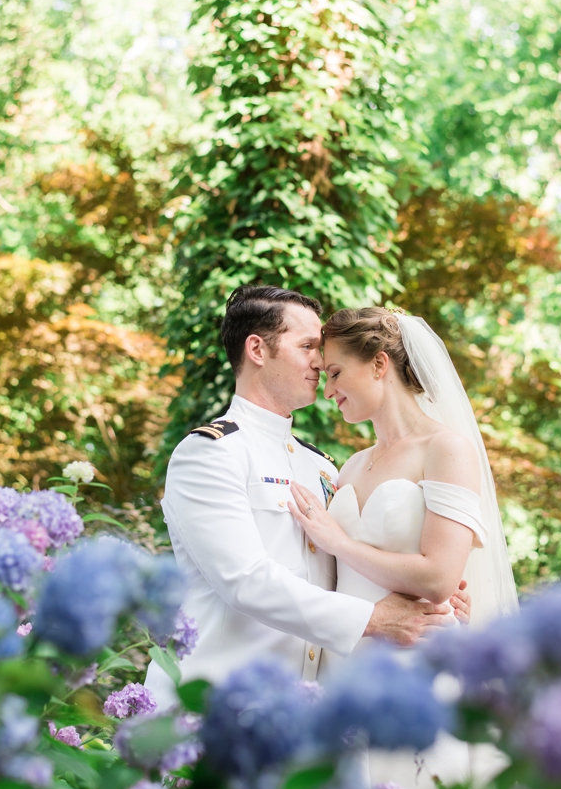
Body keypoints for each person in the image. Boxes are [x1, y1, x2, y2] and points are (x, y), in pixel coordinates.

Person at [143, 285, 461, 706]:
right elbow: (246, 581)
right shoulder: (210, 452)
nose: (321, 361)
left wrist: (433, 598)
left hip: (303, 710)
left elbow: (348, 566)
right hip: (215, 701)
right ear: (257, 349)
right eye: (308, 345)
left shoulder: (324, 468)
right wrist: (374, 619)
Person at [288, 306, 520, 789]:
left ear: (378, 364)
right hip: (345, 663)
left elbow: (438, 578)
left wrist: (339, 541)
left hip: (417, 664)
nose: (326, 390)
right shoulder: (347, 468)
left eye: (334, 373)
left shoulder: (446, 448)